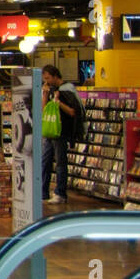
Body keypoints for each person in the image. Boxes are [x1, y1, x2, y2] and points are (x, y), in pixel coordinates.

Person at [41, 64, 83, 205]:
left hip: (61, 131)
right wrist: (45, 95)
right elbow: (44, 110)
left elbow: (72, 112)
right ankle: (43, 191)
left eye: (48, 78)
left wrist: (58, 102)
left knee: (60, 163)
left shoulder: (67, 90)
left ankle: (60, 193)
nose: (46, 81)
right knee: (45, 161)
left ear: (55, 76)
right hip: (50, 131)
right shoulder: (52, 89)